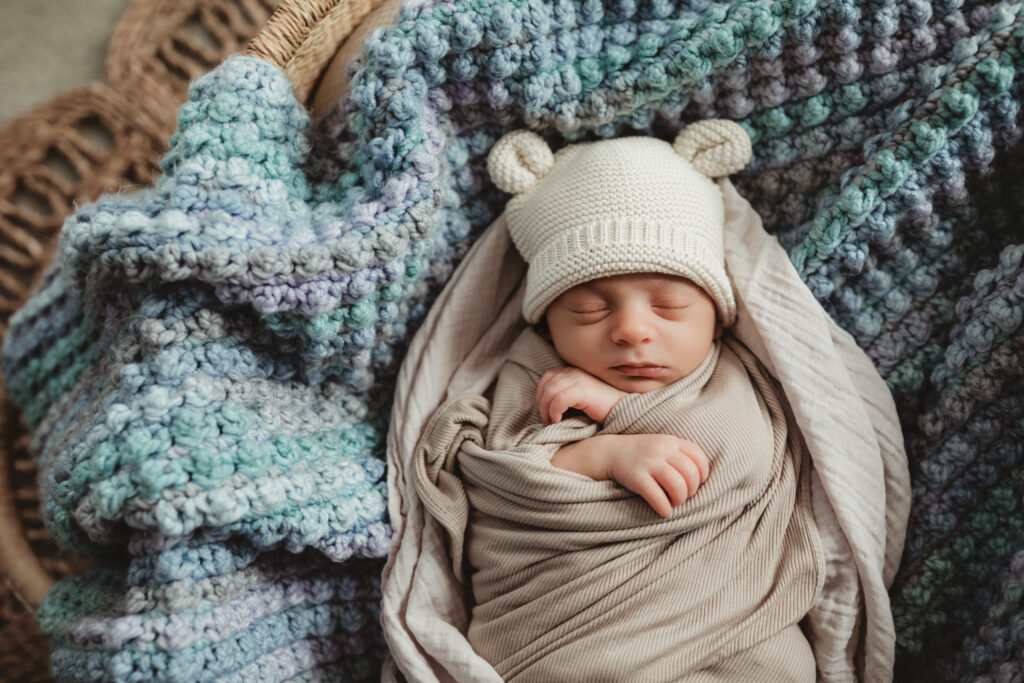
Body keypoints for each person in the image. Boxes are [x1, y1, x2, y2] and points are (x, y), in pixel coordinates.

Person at [413, 120, 825, 681]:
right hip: (562, 633)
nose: (632, 330)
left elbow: (744, 457)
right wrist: (606, 457)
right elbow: (499, 481)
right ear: (548, 319)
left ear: (716, 312)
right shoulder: (532, 369)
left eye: (669, 305)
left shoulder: (732, 374)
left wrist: (616, 409)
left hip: (725, 617)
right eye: (589, 310)